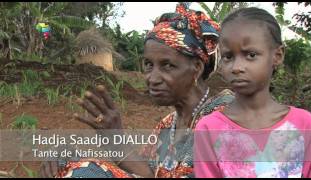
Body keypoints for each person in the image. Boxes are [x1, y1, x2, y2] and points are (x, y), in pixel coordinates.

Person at [39, 3, 234, 178]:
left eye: (167, 65)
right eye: (149, 65)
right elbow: (150, 174)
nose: (152, 78)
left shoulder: (226, 119)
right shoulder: (168, 125)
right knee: (66, 164)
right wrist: (115, 140)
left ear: (197, 68)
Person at [194, 7, 311, 178]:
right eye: (228, 57)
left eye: (251, 55)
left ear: (277, 55)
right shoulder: (209, 129)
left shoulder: (305, 125)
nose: (237, 67)